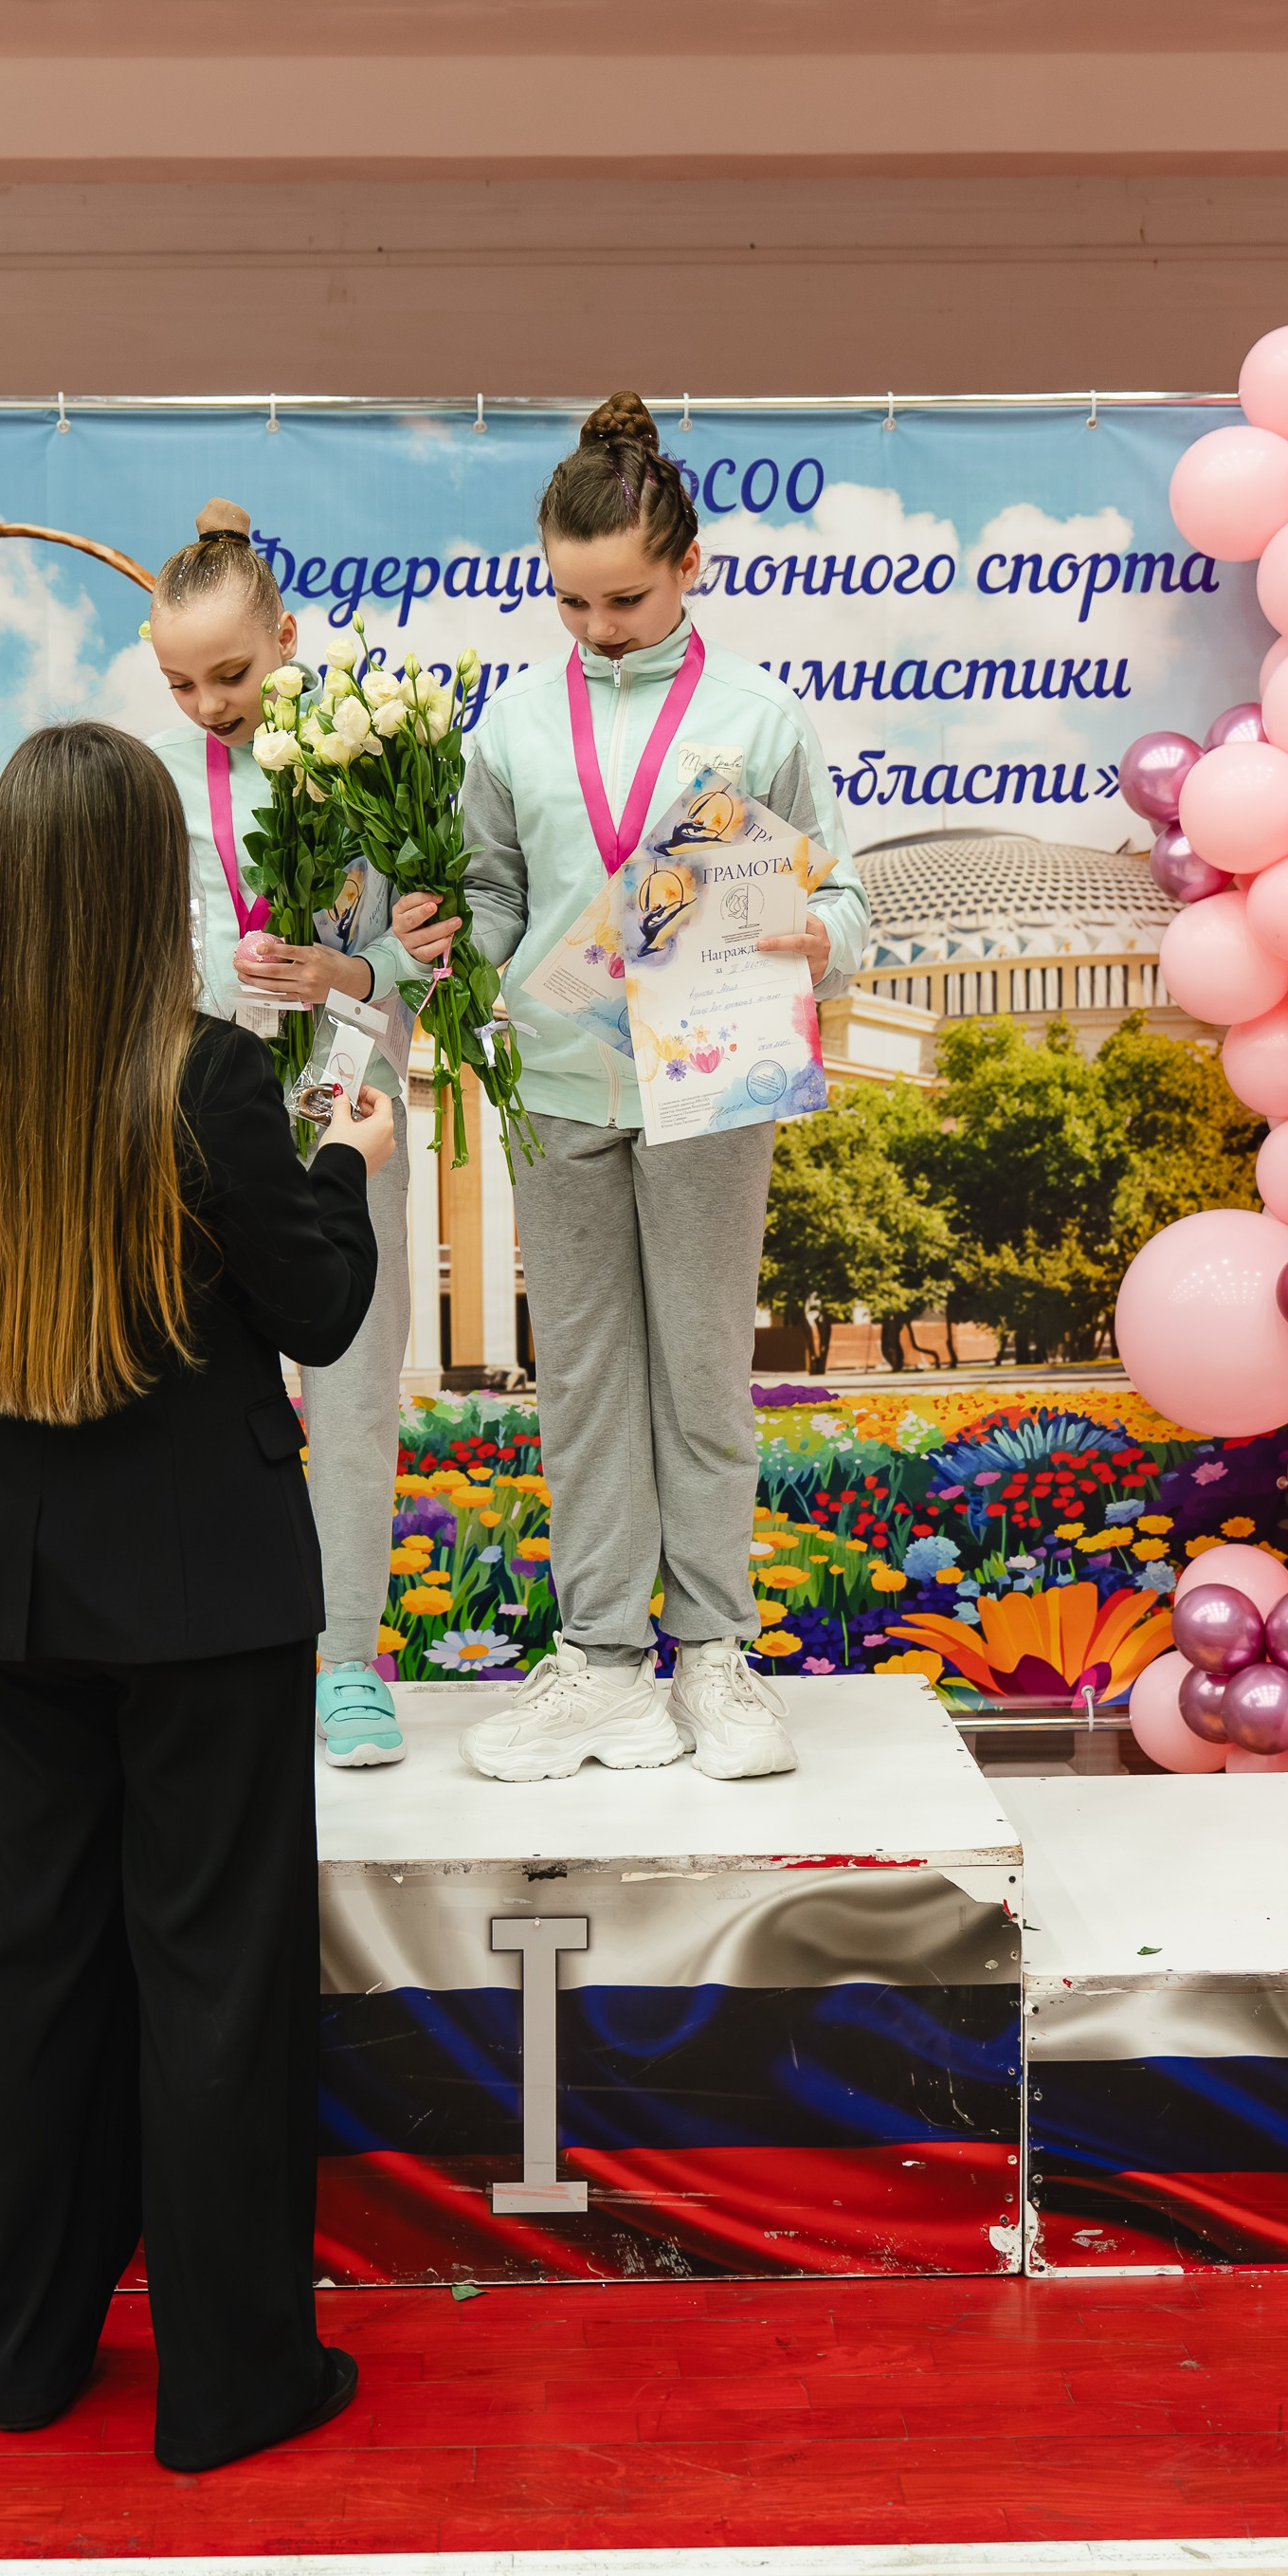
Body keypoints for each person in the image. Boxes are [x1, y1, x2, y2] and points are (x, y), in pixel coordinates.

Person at [0, 719, 395, 2472]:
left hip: (16, 1575)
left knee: (34, 1966)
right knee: (213, 1978)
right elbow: (318, 1311)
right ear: (148, 881)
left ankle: (22, 2355)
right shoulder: (210, 1080)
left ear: (16, 881)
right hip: (202, 1585)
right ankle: (230, 2383)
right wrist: (348, 1158)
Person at [426, 392, 869, 1783]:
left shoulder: (761, 716)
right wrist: (458, 951)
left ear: (691, 567)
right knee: (587, 1380)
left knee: (700, 1373)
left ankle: (719, 1660)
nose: (600, 625)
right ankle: (606, 1664)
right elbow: (494, 888)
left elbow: (844, 897)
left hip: (712, 1084)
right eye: (571, 602)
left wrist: (819, 935)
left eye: (624, 597)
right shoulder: (508, 725)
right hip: (556, 1083)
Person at [145, 501, 452, 1771]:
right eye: (180, 682)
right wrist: (223, 987)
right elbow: (145, 963)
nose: (210, 703)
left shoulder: (375, 768)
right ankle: (220, 1658)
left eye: (233, 672)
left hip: (346, 1111)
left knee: (354, 1390)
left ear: (286, 637)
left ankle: (344, 1663)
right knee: (204, 1388)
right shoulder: (152, 788)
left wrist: (346, 971)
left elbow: (426, 964)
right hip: (201, 1120)